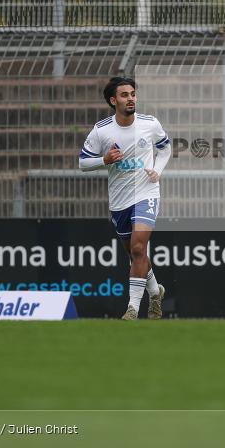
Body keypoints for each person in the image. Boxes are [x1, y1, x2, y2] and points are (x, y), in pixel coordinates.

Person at [79, 76, 171, 320]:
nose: (130, 99)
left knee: (140, 247)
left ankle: (132, 308)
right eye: (124, 95)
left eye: (132, 94)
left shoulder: (150, 124)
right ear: (113, 100)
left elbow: (165, 147)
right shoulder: (102, 130)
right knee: (135, 255)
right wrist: (104, 160)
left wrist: (157, 172)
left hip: (146, 192)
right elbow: (83, 162)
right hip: (119, 200)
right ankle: (155, 292)